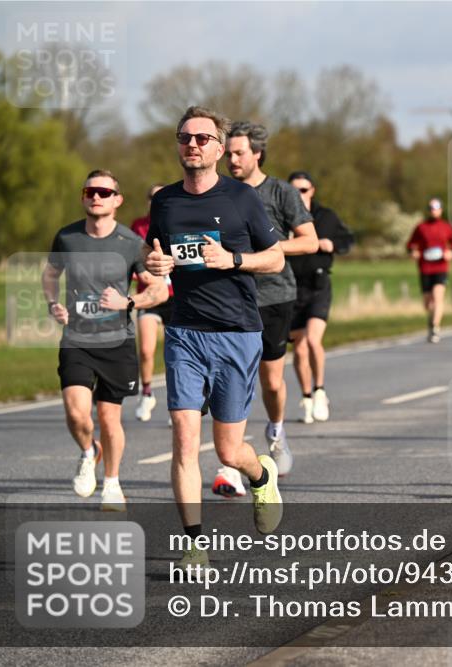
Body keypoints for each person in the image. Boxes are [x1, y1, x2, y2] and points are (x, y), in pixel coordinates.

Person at [144, 106, 285, 569]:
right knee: (185, 439)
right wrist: (155, 265)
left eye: (203, 139)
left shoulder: (242, 198)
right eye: (185, 137)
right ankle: (194, 544)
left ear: (220, 149)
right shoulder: (164, 201)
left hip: (236, 332)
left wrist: (234, 261)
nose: (193, 145)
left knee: (228, 449)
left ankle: (261, 474)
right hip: (184, 330)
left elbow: (277, 259)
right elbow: (157, 253)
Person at [43, 170, 169, 510]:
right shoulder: (67, 238)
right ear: (83, 197)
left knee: (110, 419)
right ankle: (89, 452)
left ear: (117, 200)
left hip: (116, 342)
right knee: (77, 414)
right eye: (90, 191)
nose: (95, 196)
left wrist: (129, 302)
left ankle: (112, 482)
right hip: (77, 340)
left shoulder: (130, 243)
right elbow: (50, 274)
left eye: (103, 192)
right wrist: (53, 303)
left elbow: (158, 289)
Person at [213, 121, 318, 495]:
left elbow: (310, 242)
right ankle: (229, 464)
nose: (232, 160)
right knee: (230, 380)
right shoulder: (218, 192)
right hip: (227, 299)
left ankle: (275, 431)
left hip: (273, 296)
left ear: (257, 153)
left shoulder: (281, 193)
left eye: (239, 152)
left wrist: (256, 254)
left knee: (271, 381)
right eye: (228, 153)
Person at [287, 171, 354, 423]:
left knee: (313, 341)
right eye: (294, 191)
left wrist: (332, 244)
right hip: (291, 288)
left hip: (318, 284)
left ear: (312, 190)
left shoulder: (326, 216)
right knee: (300, 349)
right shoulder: (284, 217)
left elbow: (347, 239)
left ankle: (320, 391)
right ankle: (305, 396)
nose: (299, 195)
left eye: (303, 190)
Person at [130, 184, 171, 422]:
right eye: (152, 198)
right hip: (149, 294)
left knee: (174, 353)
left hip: (176, 295)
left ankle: (175, 402)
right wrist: (143, 275)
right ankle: (146, 394)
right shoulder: (139, 226)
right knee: (146, 350)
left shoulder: (179, 222)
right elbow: (131, 262)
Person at [407, 198, 452, 343]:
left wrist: (451, 252)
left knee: (438, 297)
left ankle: (435, 327)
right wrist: (413, 252)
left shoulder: (446, 227)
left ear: (441, 210)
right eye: (431, 209)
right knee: (428, 303)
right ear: (428, 210)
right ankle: (431, 321)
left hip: (441, 267)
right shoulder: (421, 227)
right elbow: (411, 244)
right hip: (425, 268)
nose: (434, 211)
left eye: (436, 209)